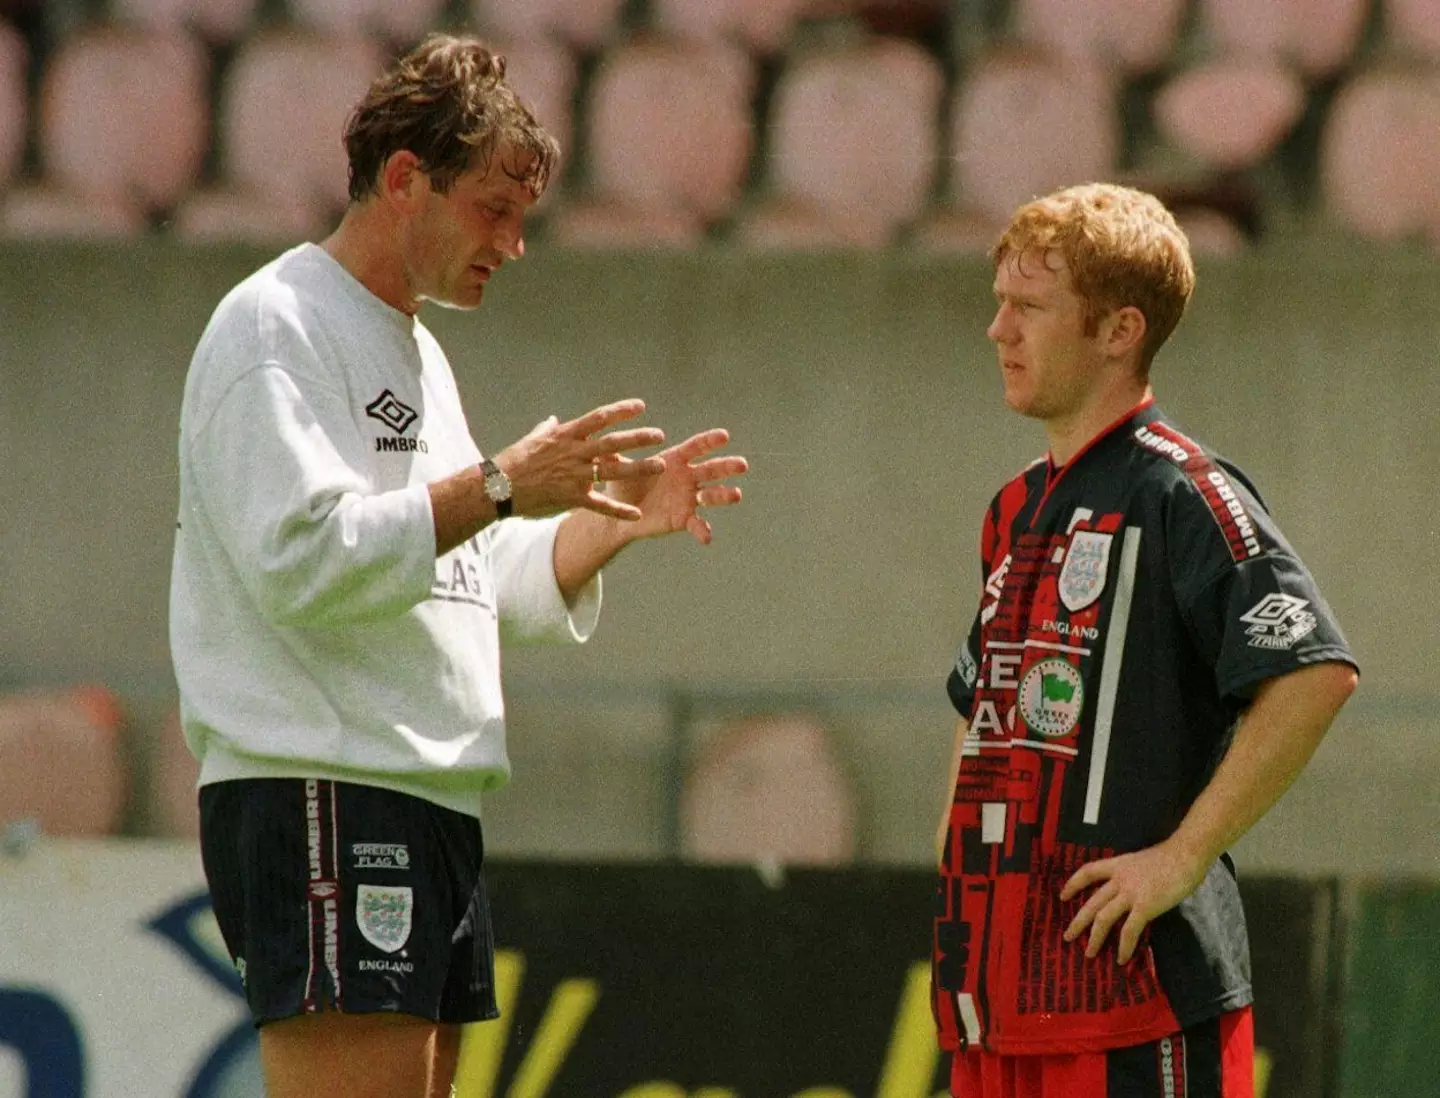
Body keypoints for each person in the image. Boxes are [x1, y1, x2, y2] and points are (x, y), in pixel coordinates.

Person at [168, 34, 747, 1098]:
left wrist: (607, 524)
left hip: (427, 799)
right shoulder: (275, 324)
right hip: (325, 786)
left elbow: (463, 580)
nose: (514, 245)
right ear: (404, 180)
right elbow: (301, 561)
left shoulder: (417, 350)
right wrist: (500, 483)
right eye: (493, 210)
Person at [931, 183, 1358, 1098]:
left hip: (1133, 1002)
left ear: (1120, 331)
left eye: (1030, 307)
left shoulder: (1184, 493)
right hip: (997, 1003)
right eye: (1000, 302)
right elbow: (983, 694)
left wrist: (1181, 857)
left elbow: (1314, 674)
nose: (998, 330)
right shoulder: (1013, 507)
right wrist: (958, 832)